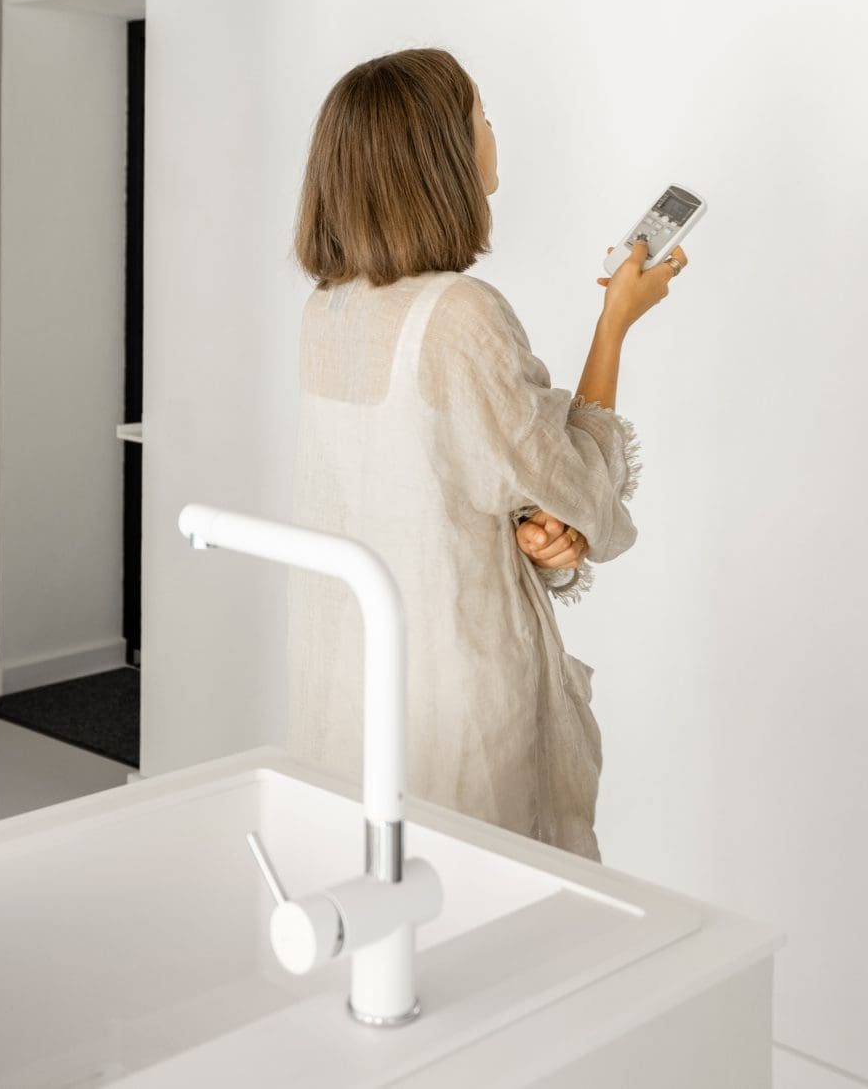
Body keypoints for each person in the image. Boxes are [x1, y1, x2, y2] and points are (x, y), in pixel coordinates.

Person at [286, 47, 686, 861]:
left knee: (382, 918)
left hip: (353, 690)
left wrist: (536, 534)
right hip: (458, 697)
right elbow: (580, 490)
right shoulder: (460, 314)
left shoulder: (326, 311)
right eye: (479, 116)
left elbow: (434, 492)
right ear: (442, 155)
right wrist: (615, 324)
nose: (492, 131)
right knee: (489, 916)